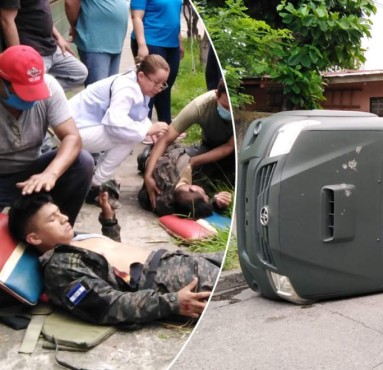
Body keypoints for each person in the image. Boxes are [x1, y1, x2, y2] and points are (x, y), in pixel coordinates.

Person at [8, 192, 223, 325]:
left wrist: (108, 220)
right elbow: (106, 305)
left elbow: (112, 257)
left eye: (59, 212)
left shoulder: (75, 238)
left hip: (179, 260)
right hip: (169, 282)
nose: (64, 218)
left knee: (249, 264)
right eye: (52, 219)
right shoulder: (60, 268)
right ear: (34, 237)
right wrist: (172, 303)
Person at [0, 45, 93, 226]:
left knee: (82, 162)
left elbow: (72, 137)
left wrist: (50, 174)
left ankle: (56, 236)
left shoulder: (49, 86)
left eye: (33, 91)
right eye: (21, 92)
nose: (29, 98)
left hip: (32, 172)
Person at [69, 54, 169, 203]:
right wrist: (147, 131)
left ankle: (97, 178)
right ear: (141, 76)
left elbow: (138, 117)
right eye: (157, 83)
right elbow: (115, 123)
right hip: (71, 132)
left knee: (133, 133)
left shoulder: (138, 84)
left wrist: (150, 129)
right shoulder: (127, 88)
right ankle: (95, 185)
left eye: (163, 84)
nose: (159, 88)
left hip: (82, 128)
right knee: (128, 137)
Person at [143, 80, 235, 211]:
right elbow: (166, 139)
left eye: (232, 108)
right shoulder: (200, 106)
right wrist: (148, 175)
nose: (229, 111)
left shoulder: (172, 196)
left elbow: (229, 147)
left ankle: (147, 159)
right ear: (216, 96)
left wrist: (194, 161)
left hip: (232, 150)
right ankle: (147, 158)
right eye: (225, 107)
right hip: (208, 147)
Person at [0, 0, 88, 91]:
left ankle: (41, 94)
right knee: (32, 86)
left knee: (79, 73)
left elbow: (42, 11)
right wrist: (19, 57)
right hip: (32, 50)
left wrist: (59, 37)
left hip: (50, 45)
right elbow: (7, 20)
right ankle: (35, 94)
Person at [138, 144, 232, 217]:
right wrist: (216, 204)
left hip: (164, 155)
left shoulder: (176, 166)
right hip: (165, 157)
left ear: (193, 189)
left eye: (205, 195)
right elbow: (193, 210)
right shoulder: (173, 204)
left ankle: (144, 159)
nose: (207, 195)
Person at [130, 0, 184, 124]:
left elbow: (174, 16)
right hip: (151, 41)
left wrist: (179, 41)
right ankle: (144, 126)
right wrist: (142, 45)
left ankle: (165, 125)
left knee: (165, 86)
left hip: (172, 44)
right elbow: (136, 17)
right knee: (150, 87)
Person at [65, 0, 129, 86]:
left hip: (115, 42)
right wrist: (74, 26)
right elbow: (71, 2)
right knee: (98, 93)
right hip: (96, 43)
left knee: (110, 91)